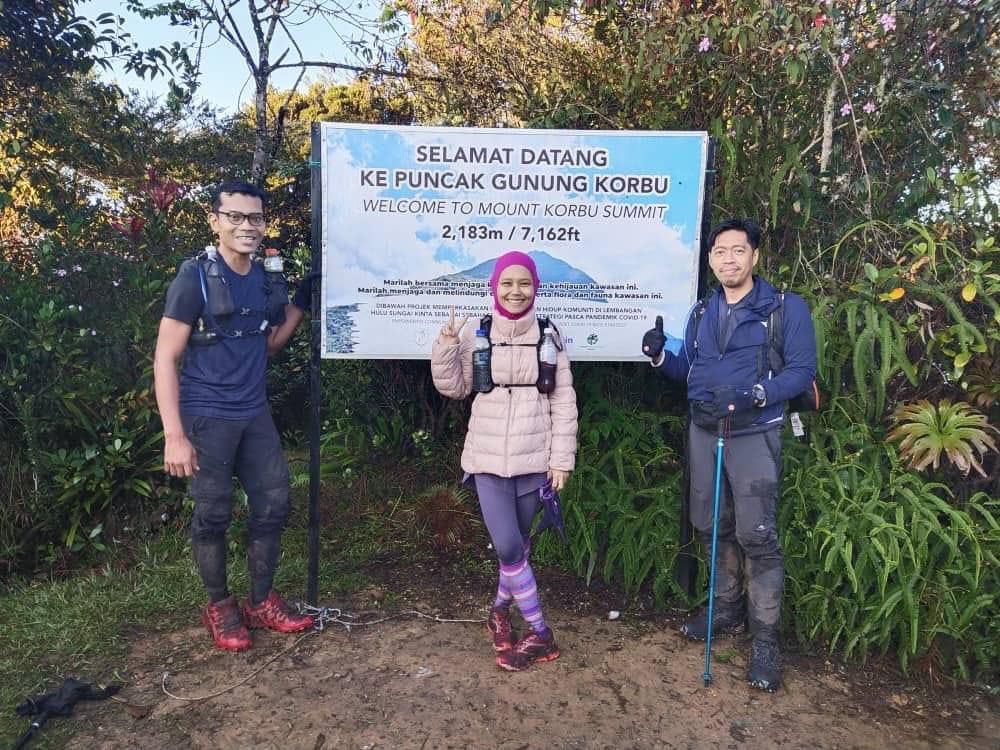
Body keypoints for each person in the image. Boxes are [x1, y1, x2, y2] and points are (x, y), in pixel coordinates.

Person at [641, 218, 816, 691]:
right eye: (720, 252)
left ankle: (765, 640)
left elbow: (801, 372)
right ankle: (724, 612)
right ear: (711, 259)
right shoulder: (701, 312)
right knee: (710, 524)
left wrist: (754, 394)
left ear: (754, 256)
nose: (728, 260)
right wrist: (660, 358)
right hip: (704, 431)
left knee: (756, 534)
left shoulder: (784, 309)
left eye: (738, 251)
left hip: (755, 433)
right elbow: (693, 372)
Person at [153, 180, 317, 651]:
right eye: (236, 217)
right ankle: (220, 606)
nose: (247, 226)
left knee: (273, 503)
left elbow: (267, 344)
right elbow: (166, 357)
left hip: (253, 412)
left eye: (255, 218)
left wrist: (301, 303)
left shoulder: (265, 277)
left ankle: (261, 601)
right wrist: (174, 435)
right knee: (213, 513)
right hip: (207, 414)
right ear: (215, 221)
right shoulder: (195, 277)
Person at [431, 250, 578, 672]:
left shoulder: (549, 335)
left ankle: (498, 612)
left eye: (524, 283)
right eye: (507, 283)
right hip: (487, 458)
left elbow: (564, 401)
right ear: (494, 287)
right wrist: (445, 348)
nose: (516, 291)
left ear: (536, 288)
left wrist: (561, 460)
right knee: (510, 545)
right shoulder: (475, 334)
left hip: (535, 459)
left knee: (519, 546)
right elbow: (455, 389)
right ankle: (540, 633)